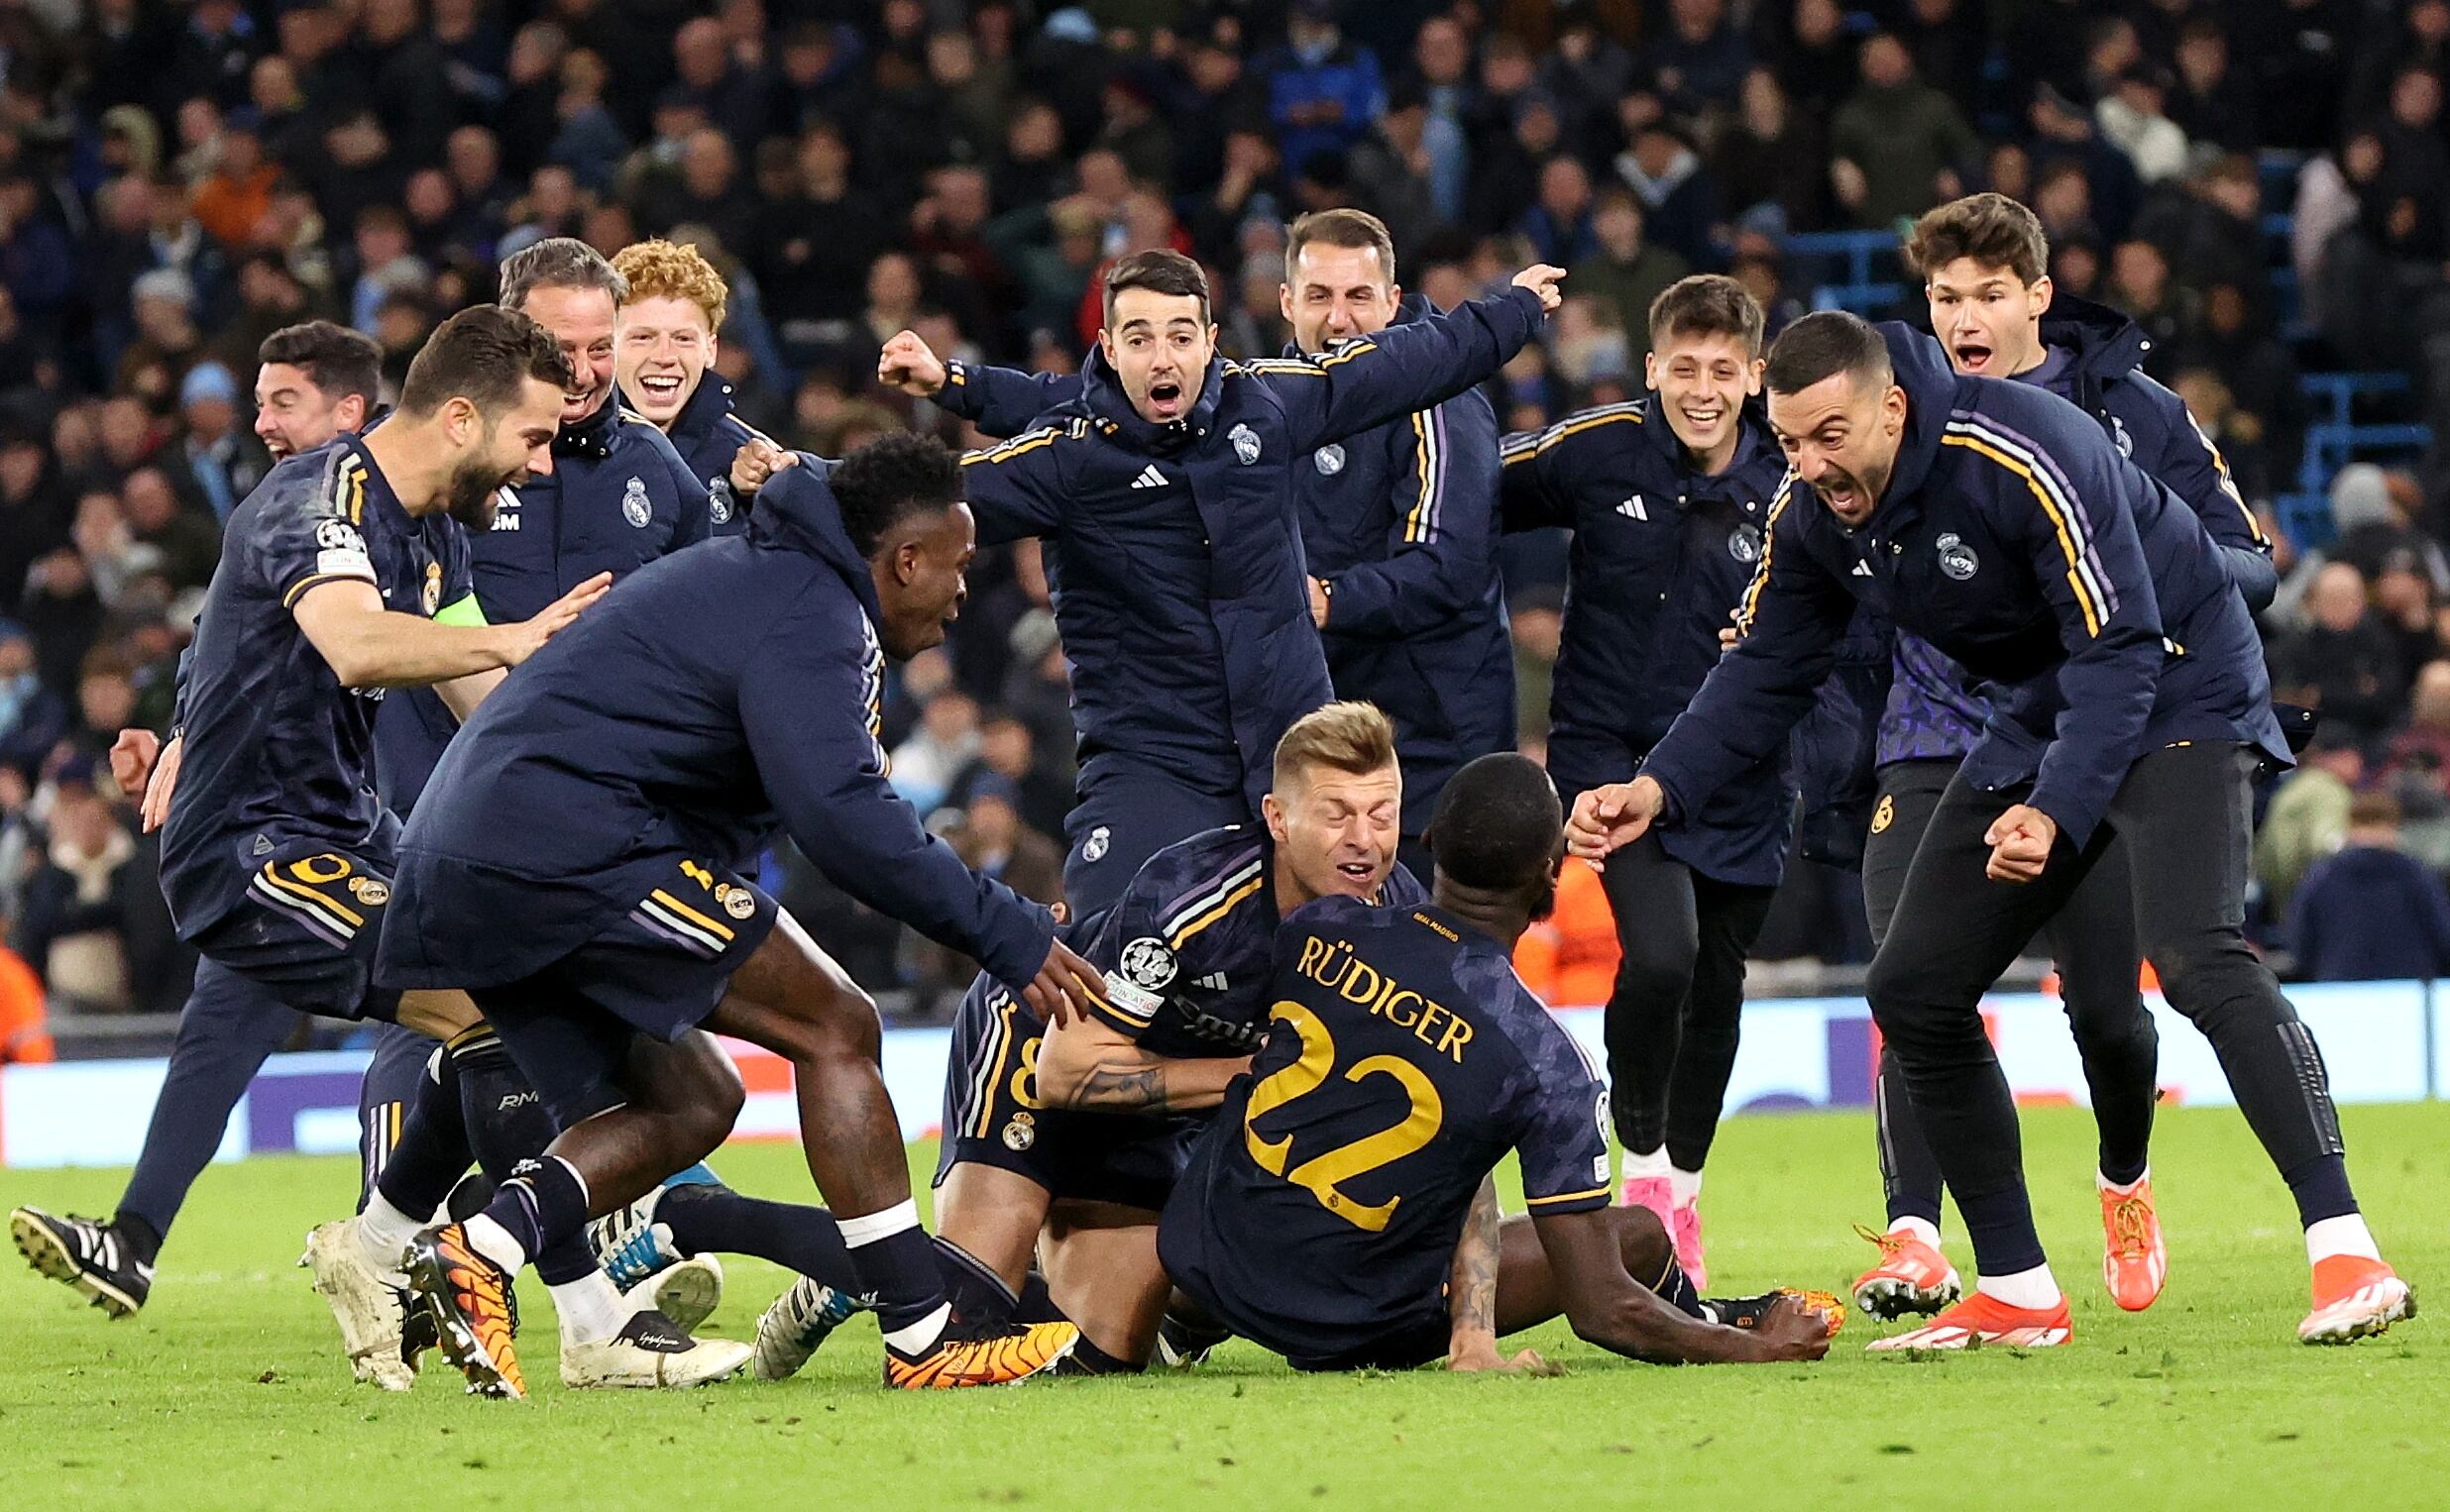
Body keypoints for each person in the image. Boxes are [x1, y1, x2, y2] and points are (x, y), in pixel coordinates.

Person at [1567, 310, 2412, 1350]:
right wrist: (1659, 786)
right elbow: (1766, 668)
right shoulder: (1815, 509)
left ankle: (2348, 1248)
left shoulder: (2025, 449)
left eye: (1830, 436)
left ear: (1892, 405)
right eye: (1787, 441)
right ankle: (2016, 1286)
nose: (1810, 464)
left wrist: (2052, 807)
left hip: (2182, 680)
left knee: (2194, 955)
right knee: (1911, 987)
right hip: (2044, 703)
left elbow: (2120, 651)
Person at [375, 435, 1103, 1398]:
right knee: (837, 1023)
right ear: (906, 559)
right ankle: (925, 1330)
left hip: (468, 865)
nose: (963, 592)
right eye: (959, 565)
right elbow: (842, 820)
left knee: (691, 1101)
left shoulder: (769, 576)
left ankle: (482, 1246)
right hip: (561, 845)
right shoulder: (813, 607)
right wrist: (1006, 927)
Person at [12, 308, 622, 1383]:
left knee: (509, 1002)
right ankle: (585, 1316)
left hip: (349, 831)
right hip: (249, 849)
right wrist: (515, 637)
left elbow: (480, 687)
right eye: (531, 439)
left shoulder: (434, 527)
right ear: (464, 416)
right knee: (487, 1008)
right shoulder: (317, 498)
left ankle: (386, 1248)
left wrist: (597, 746)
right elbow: (350, 642)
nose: (535, 468)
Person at [1848, 192, 2280, 1321]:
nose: (1968, 316)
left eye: (1991, 293)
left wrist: (2138, 550)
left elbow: (2252, 565)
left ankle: (2124, 1175)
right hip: (1935, 735)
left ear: (2039, 296)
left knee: (2106, 1009)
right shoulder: (1905, 415)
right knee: (1910, 980)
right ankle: (1915, 1235)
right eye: (1947, 296)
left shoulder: (2136, 412)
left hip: (2093, 728)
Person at [877, 248, 1562, 913]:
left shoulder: (1265, 404)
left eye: (1180, 335)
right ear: (1110, 353)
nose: (1163, 356)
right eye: (1139, 339)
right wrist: (789, 484)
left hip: (1292, 749)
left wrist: (1518, 309)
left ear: (1209, 342)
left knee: (1386, 951)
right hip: (1155, 760)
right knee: (1106, 954)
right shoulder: (1068, 459)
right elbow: (913, 500)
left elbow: (1416, 359)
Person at [1158, 752, 1839, 1372]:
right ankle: (1715, 1323)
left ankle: (1175, 1324)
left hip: (1205, 1257)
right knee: (1631, 1237)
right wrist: (1756, 1352)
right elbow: (1601, 1308)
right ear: (1551, 873)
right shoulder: (1544, 1060)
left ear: (1429, 843)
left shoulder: (1320, 926)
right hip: (1348, 1327)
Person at [18, 323, 390, 1317]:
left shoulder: (386, 508)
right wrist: (183, 733)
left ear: (350, 411)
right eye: (259, 401)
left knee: (474, 1014)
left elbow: (395, 651)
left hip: (372, 820)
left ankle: (493, 1242)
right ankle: (134, 1241)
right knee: (220, 1031)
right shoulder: (284, 509)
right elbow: (234, 651)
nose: (261, 422)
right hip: (287, 825)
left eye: (283, 403)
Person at [894, 702, 1428, 1377]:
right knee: (965, 1324)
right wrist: (1249, 1073)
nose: (1364, 840)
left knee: (1098, 1361)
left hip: (1159, 1102)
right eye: (1336, 814)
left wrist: (1472, 1333)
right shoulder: (1196, 897)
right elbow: (1065, 1071)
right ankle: (849, 1263)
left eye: (1382, 815)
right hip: (1040, 1033)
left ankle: (1062, 1249)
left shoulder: (1402, 925)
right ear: (1278, 819)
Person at [1495, 274, 1793, 1288]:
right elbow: (1470, 491)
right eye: (1683, 366)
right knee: (1663, 953)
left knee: (1717, 984)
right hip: (1612, 764)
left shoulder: (1793, 474)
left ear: (1754, 377)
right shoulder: (1596, 446)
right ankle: (1645, 1160)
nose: (1701, 389)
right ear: (1652, 364)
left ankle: (1685, 1188)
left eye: (1723, 370)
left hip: (1749, 769)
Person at [1275, 209, 1511, 877]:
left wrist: (1329, 600)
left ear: (1393, 301)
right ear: (1289, 302)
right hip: (1317, 729)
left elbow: (1447, 563)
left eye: (1359, 297)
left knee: (1446, 954)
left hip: (1433, 732)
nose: (1340, 318)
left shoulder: (1437, 394)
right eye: (1320, 297)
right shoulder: (1265, 403)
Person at [610, 237, 781, 536]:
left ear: (710, 350)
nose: (664, 357)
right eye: (643, 337)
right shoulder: (554, 455)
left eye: (683, 339)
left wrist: (773, 492)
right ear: (608, 344)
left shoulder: (755, 462)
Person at [2287, 791, 2450, 981]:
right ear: (2393, 826)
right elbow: (2442, 938)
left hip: (2337, 992)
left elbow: (2300, 944)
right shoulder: (2417, 875)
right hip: (2408, 995)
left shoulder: (2321, 877)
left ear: (2350, 826)